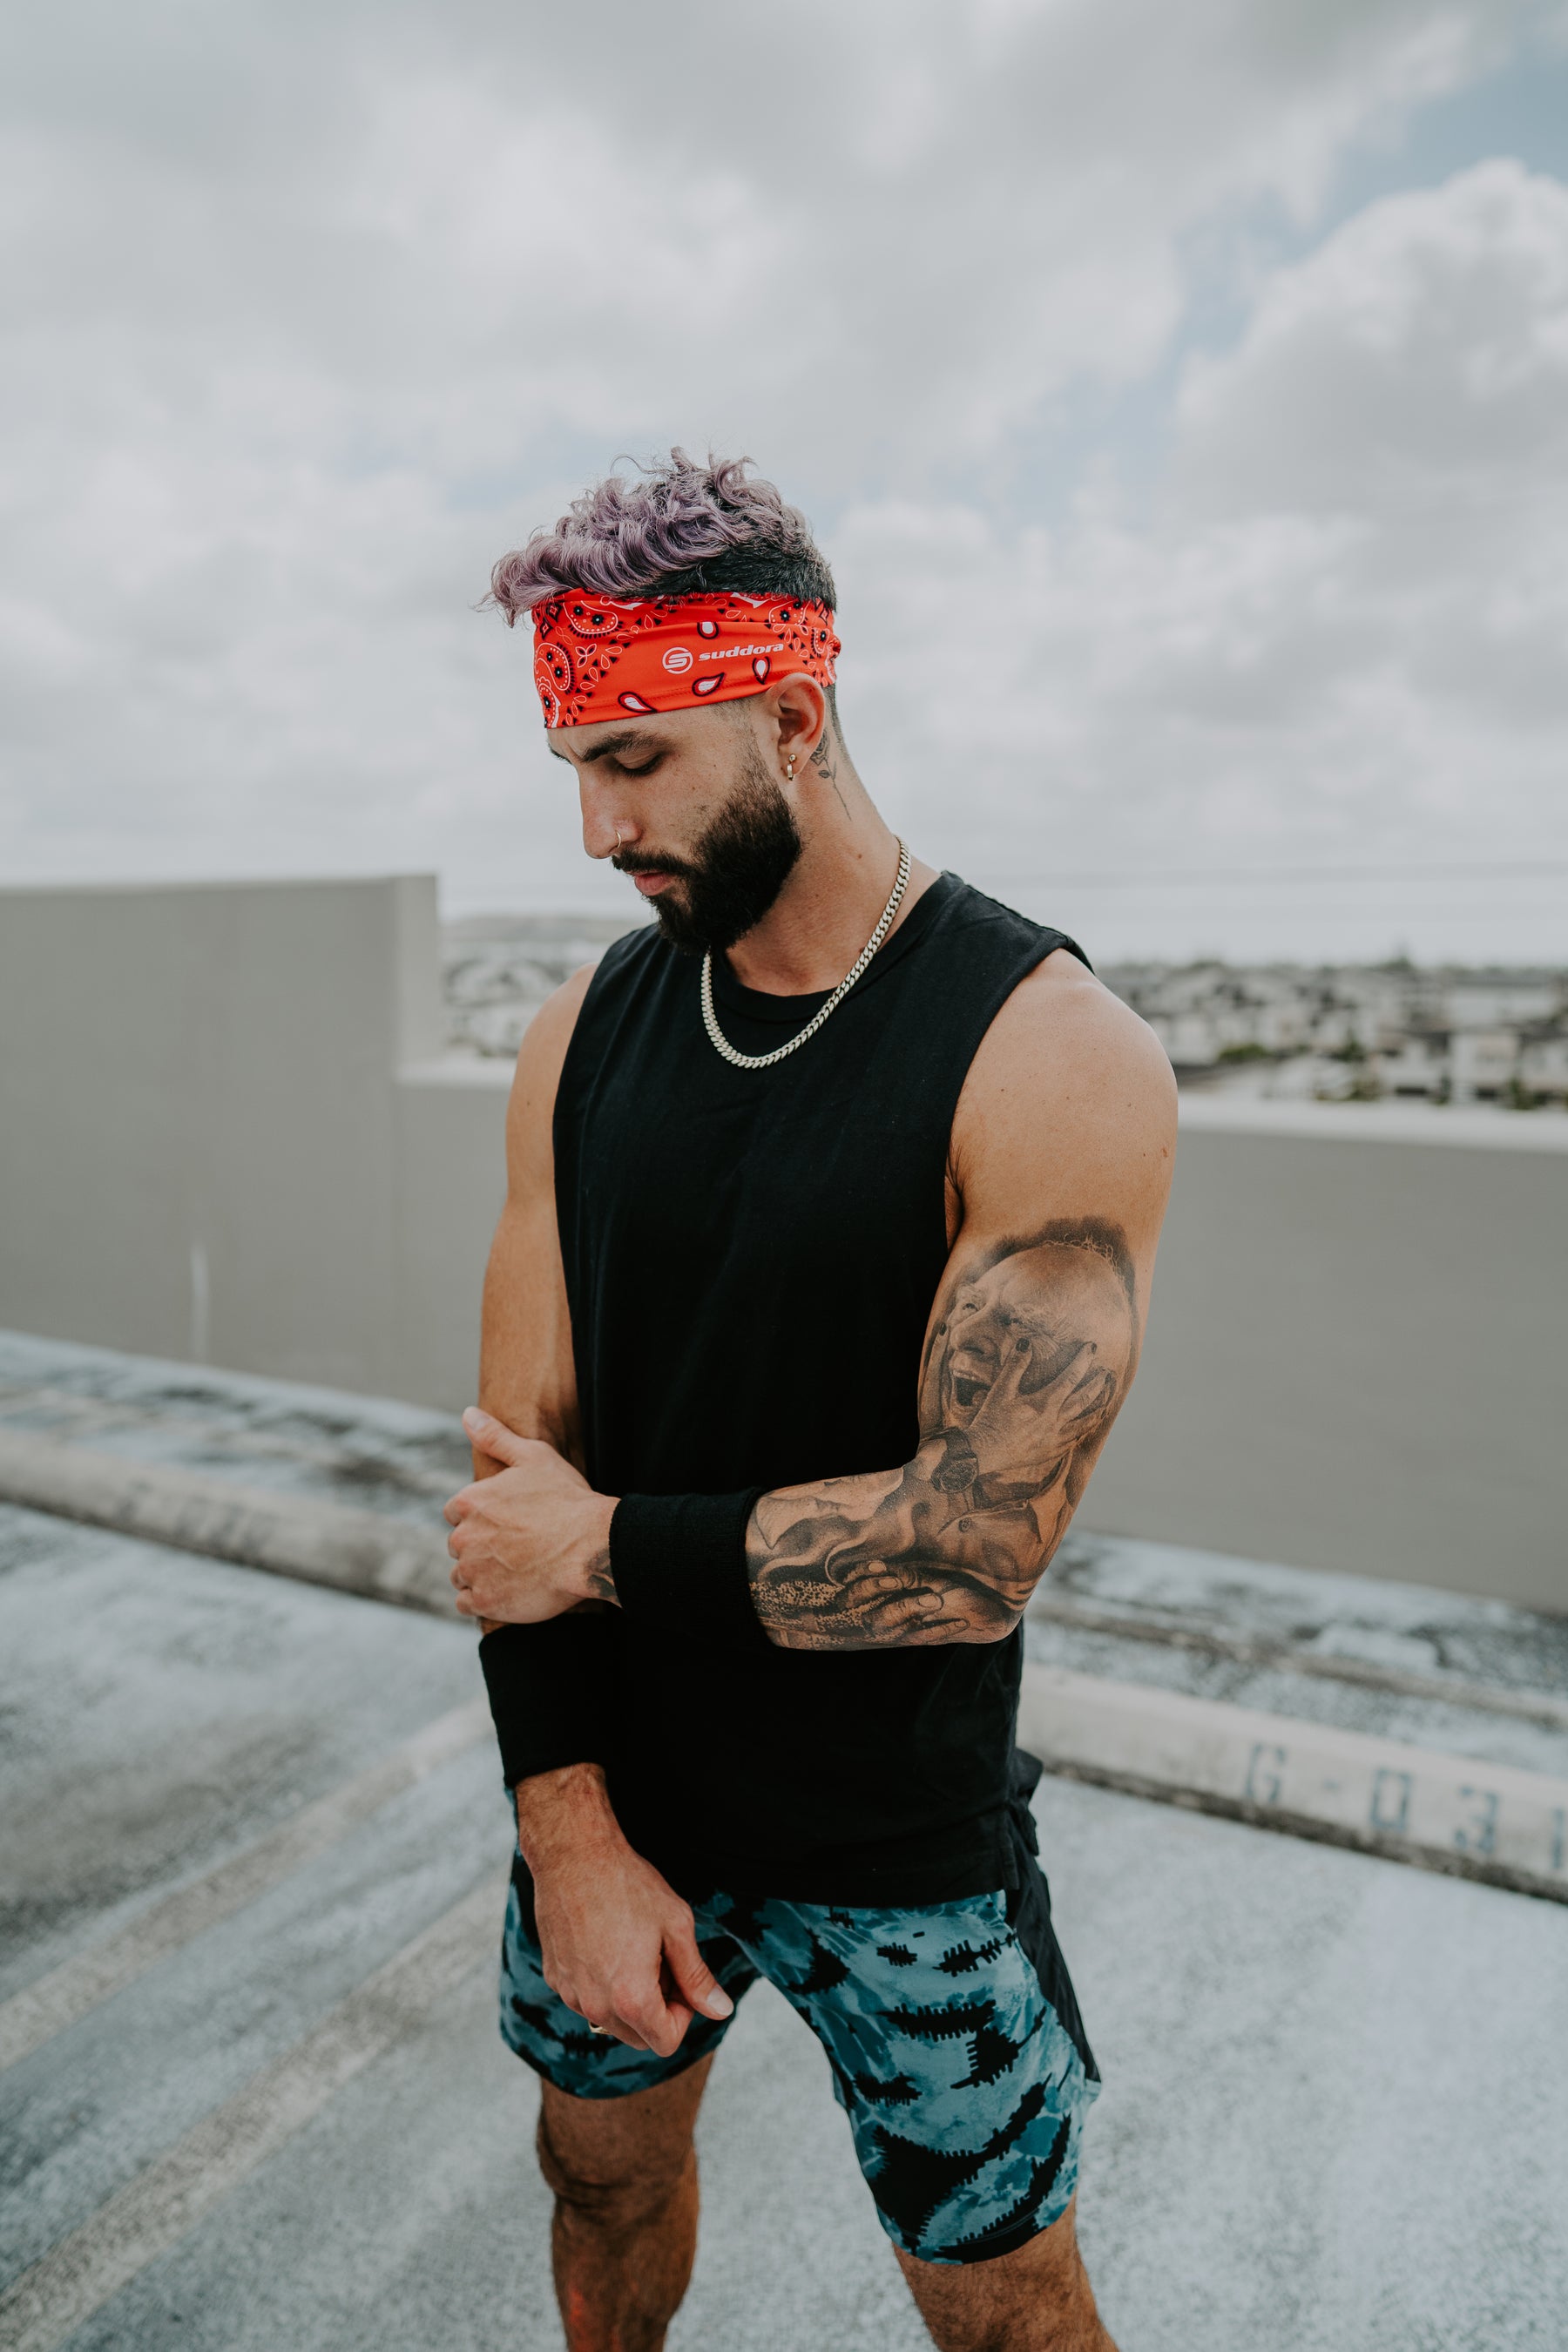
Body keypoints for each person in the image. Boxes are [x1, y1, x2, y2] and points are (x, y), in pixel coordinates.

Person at [443, 450, 1175, 2352]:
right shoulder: (577, 1036)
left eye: (636, 760)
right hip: (622, 1804)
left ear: (792, 709)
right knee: (599, 2179)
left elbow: (969, 1552)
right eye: (574, 767)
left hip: (895, 1841)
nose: (597, 829)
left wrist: (601, 1550)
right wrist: (570, 1833)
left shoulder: (1048, 1051)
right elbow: (518, 1482)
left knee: (1005, 2308)